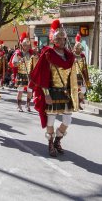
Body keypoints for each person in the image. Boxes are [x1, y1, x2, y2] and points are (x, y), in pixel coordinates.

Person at [29, 19, 79, 157]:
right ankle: (50, 143)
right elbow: (42, 77)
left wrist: (77, 92)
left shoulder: (69, 56)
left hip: (65, 92)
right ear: (53, 39)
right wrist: (46, 94)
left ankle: (58, 139)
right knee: (51, 120)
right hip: (51, 92)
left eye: (63, 39)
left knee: (67, 120)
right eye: (59, 39)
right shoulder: (48, 54)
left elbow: (72, 77)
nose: (61, 42)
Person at [11, 32, 33, 112]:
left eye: (28, 45)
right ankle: (19, 105)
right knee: (20, 91)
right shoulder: (18, 54)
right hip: (21, 74)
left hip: (29, 74)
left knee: (30, 90)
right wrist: (20, 61)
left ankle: (27, 104)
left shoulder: (31, 53)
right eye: (25, 45)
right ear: (22, 45)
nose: (27, 47)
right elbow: (13, 64)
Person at [72, 34, 91, 109]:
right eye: (78, 48)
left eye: (80, 48)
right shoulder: (71, 55)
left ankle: (78, 102)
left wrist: (86, 76)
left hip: (81, 75)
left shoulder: (82, 56)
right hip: (73, 75)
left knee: (83, 90)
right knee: (75, 89)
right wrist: (73, 61)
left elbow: (85, 66)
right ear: (75, 48)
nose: (79, 50)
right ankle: (74, 103)